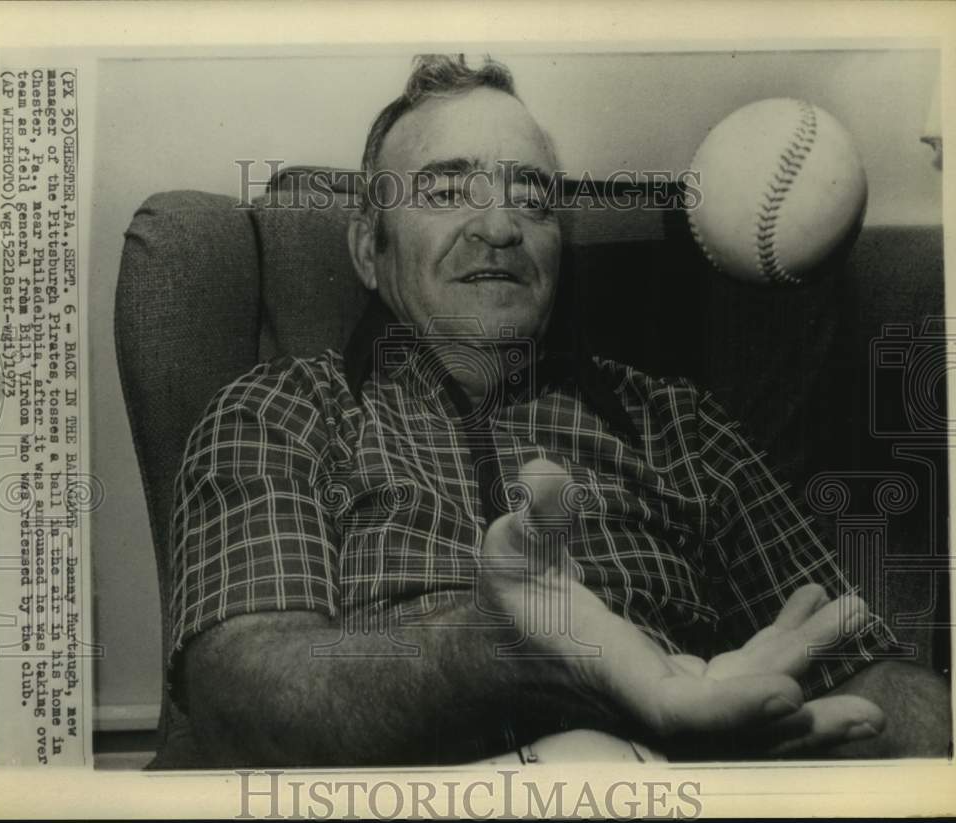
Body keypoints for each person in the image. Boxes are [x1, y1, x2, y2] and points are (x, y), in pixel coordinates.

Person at [166, 55, 950, 767]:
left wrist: (796, 729)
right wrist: (496, 655)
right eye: (446, 190)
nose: (502, 227)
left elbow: (875, 679)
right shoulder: (280, 410)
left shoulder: (679, 426)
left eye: (532, 197)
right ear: (369, 249)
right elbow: (244, 699)